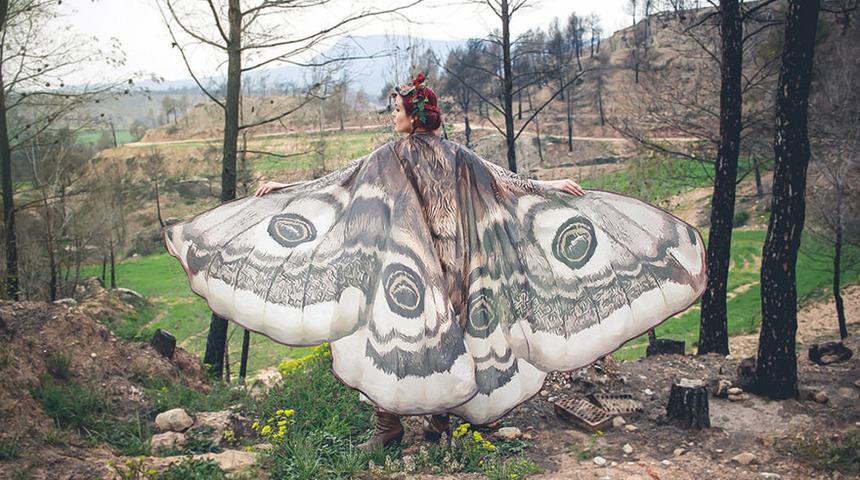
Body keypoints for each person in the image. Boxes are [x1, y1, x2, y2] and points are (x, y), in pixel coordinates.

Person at [163, 72, 707, 450]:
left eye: (395, 109)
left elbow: (501, 181)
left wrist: (552, 188)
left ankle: (427, 420)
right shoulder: (411, 155)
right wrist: (288, 185)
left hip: (451, 263)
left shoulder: (437, 154)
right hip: (426, 261)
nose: (391, 116)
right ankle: (400, 423)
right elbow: (342, 182)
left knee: (431, 335)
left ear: (412, 115)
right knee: (405, 333)